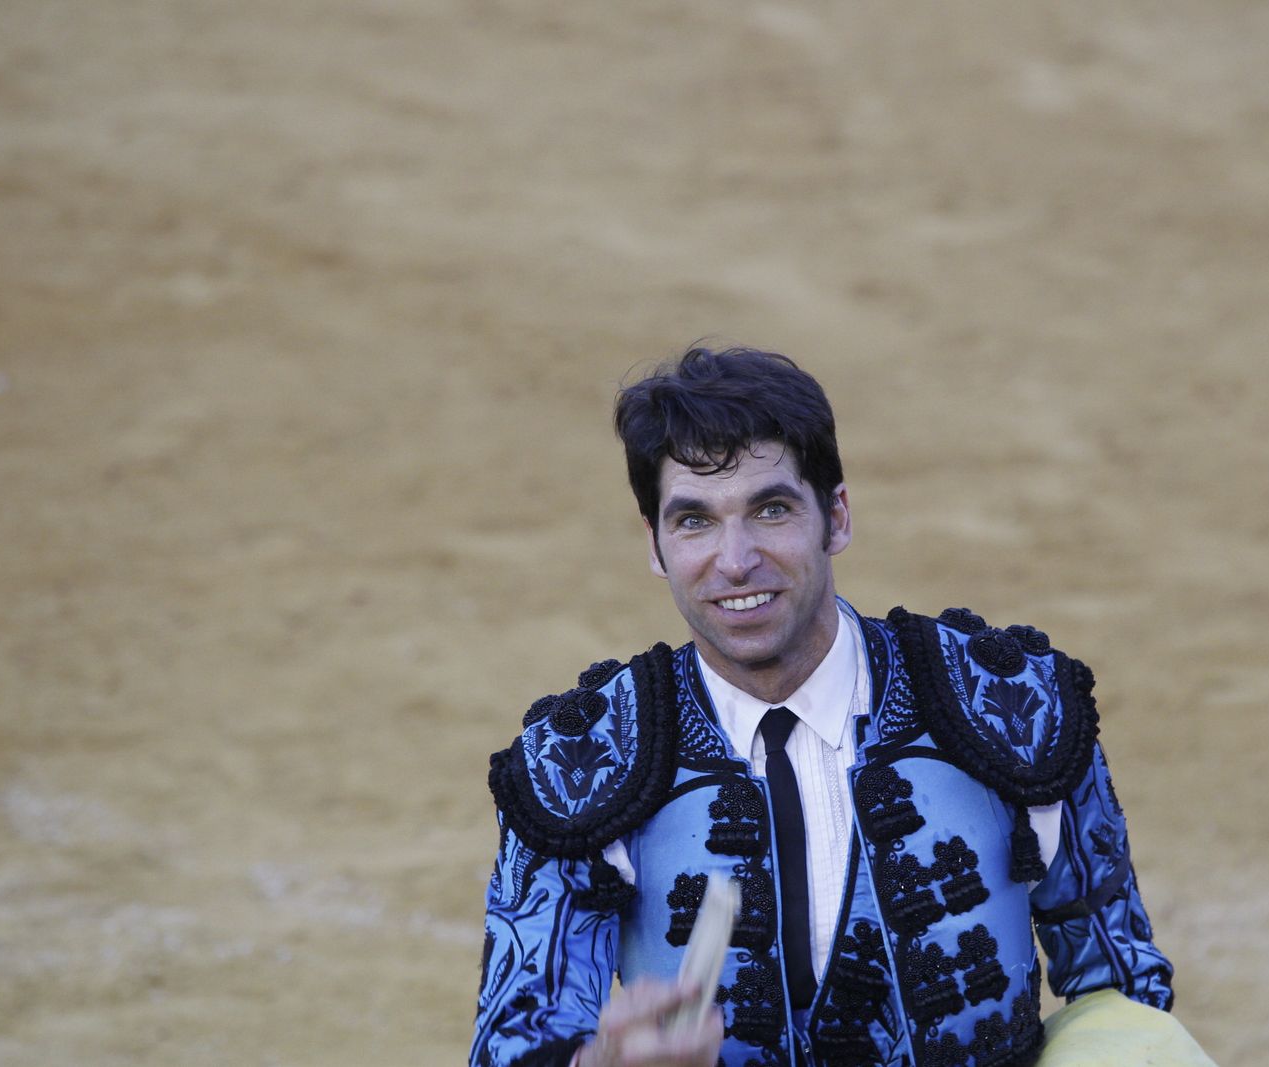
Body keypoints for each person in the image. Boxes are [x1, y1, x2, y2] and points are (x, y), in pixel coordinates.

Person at [471, 347, 1213, 1067]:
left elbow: (1123, 994)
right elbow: (510, 1040)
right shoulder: (579, 759)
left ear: (838, 516)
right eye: (694, 520)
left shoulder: (1008, 703)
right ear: (656, 546)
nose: (734, 561)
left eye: (770, 509)